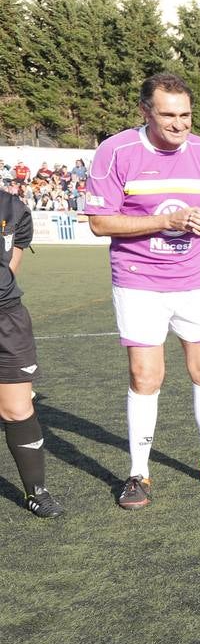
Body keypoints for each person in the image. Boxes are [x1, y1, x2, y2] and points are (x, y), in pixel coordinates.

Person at [85, 72, 200, 510]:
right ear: (145, 112)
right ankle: (138, 473)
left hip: (194, 279)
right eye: (168, 115)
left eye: (186, 115)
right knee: (146, 376)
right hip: (139, 280)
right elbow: (101, 222)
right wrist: (166, 221)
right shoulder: (115, 151)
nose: (180, 125)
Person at [0, 191, 63, 517]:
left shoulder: (13, 207)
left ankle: (36, 492)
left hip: (6, 318)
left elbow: (12, 264)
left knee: (16, 408)